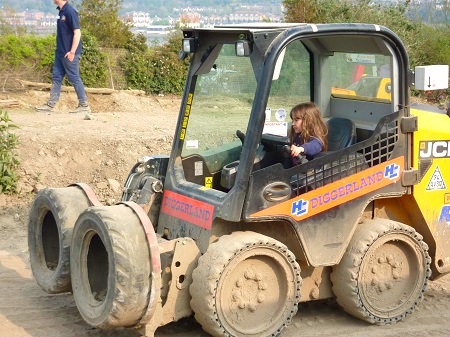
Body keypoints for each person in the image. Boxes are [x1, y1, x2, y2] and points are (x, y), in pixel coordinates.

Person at [36, 0, 90, 116]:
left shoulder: (70, 11)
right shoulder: (61, 12)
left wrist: (72, 52)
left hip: (69, 53)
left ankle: (84, 105)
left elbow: (77, 33)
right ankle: (51, 104)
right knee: (56, 77)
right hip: (60, 53)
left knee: (74, 77)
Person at [289, 102, 328, 166]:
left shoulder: (315, 139)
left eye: (296, 120)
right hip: (294, 169)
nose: (293, 124)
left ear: (308, 121)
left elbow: (315, 146)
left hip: (309, 172)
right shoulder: (296, 135)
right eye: (292, 120)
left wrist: (301, 149)